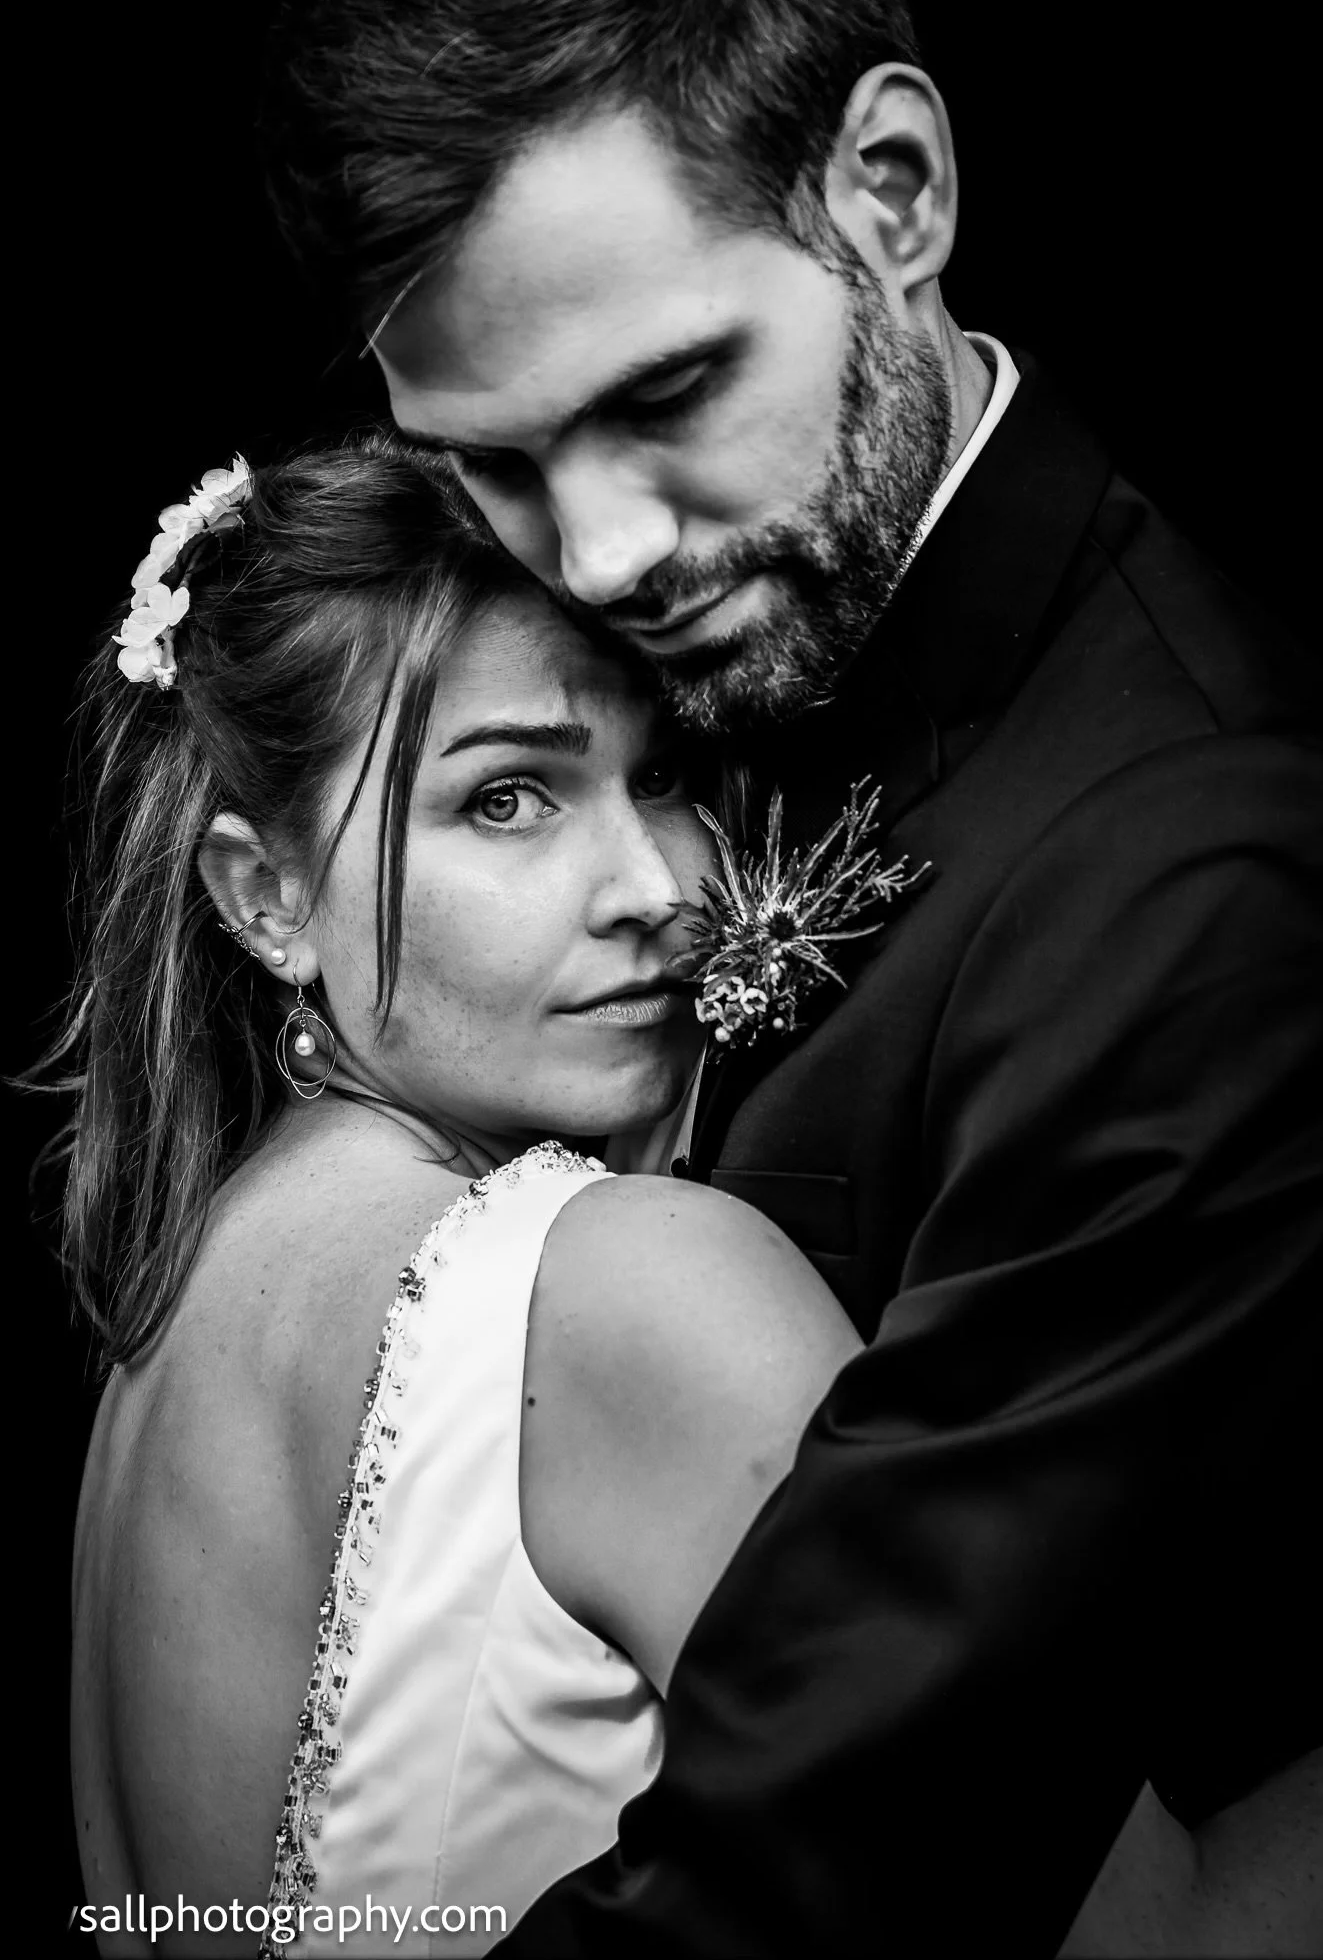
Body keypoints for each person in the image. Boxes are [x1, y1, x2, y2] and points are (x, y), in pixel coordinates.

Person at [258, 0, 1323, 1954]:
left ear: (896, 193)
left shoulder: (1203, 871)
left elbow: (850, 1860)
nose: (596, 556)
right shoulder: (687, 675)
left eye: (670, 392)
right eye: (487, 462)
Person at [57, 434, 860, 1958]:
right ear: (266, 898)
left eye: (668, 771)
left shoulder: (175, 1326)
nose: (653, 886)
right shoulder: (619, 1291)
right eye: (509, 800)